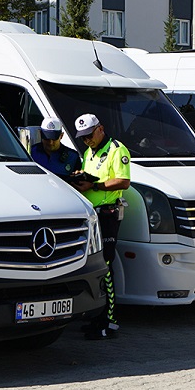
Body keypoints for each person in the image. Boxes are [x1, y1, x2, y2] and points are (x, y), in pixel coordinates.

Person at [74, 113, 130, 340]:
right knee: (93, 267)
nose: (87, 141)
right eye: (83, 138)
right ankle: (98, 316)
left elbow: (124, 181)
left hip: (108, 214)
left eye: (89, 135)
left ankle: (111, 321)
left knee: (106, 266)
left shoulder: (117, 149)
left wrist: (94, 186)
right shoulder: (89, 153)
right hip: (91, 216)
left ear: (100, 129)